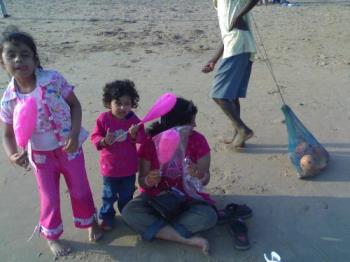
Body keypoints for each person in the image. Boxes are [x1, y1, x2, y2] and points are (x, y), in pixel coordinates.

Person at [0, 28, 102, 257]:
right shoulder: (8, 99)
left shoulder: (53, 80)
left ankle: (90, 222)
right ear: (2, 62)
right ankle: (51, 236)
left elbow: (75, 106)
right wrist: (12, 154)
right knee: (49, 197)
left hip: (70, 149)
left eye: (25, 54)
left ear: (35, 59)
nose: (19, 59)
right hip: (40, 157)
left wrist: (74, 135)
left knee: (80, 190)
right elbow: (7, 134)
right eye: (11, 55)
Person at [122, 97, 219, 255]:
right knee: (129, 212)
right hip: (157, 199)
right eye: (191, 122)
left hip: (188, 198)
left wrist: (198, 174)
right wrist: (148, 179)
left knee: (209, 216)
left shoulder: (198, 140)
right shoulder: (150, 142)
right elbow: (142, 182)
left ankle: (159, 230)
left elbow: (205, 179)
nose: (195, 125)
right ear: (177, 125)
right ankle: (185, 237)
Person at [202, 0, 259, 149]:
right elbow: (227, 32)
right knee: (231, 95)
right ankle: (238, 136)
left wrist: (239, 16)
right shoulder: (218, 3)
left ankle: (242, 130)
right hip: (236, 45)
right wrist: (214, 60)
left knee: (218, 94)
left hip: (238, 44)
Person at [91, 79, 145, 231]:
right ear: (109, 103)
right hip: (110, 168)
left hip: (129, 167)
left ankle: (127, 214)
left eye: (127, 103)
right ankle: (107, 217)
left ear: (132, 104)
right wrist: (104, 140)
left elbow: (143, 139)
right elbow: (94, 137)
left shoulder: (133, 119)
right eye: (118, 103)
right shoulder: (104, 119)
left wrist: (135, 134)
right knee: (108, 195)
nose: (122, 107)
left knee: (127, 195)